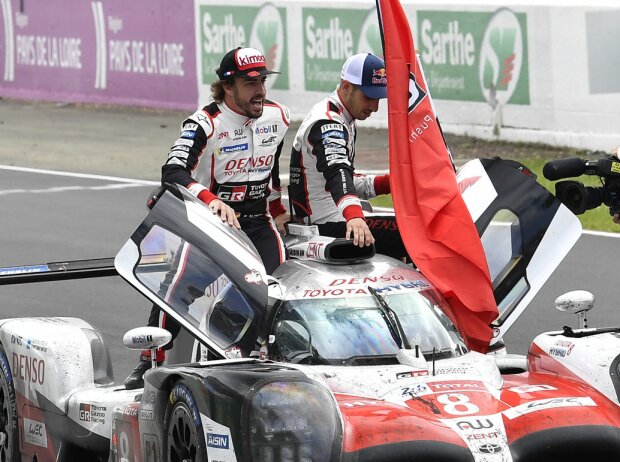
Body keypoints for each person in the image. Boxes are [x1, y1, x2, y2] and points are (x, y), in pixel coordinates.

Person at [124, 47, 290, 389]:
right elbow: (171, 171)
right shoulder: (204, 123)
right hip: (211, 223)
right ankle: (149, 362)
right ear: (227, 87)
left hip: (257, 222)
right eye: (249, 83)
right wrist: (211, 200)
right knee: (179, 287)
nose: (259, 90)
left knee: (274, 293)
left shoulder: (279, 117)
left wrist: (279, 212)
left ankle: (261, 364)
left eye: (262, 81)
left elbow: (272, 173)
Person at [289, 52, 407, 259]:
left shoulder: (343, 116)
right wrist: (354, 216)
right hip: (323, 227)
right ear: (346, 86)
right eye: (368, 97)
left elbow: (345, 179)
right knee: (414, 232)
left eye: (378, 98)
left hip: (332, 218)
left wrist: (391, 183)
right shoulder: (328, 123)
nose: (375, 106)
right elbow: (338, 173)